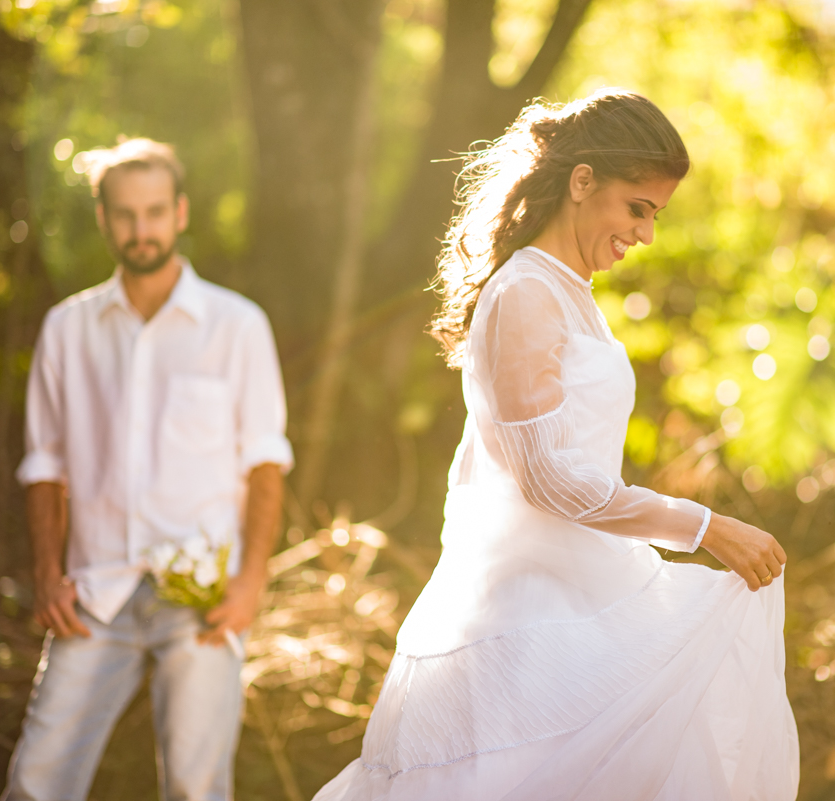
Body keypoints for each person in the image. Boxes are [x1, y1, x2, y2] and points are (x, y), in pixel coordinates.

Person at [314, 89, 799, 800]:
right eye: (637, 207)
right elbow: (549, 479)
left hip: (591, 593)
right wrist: (704, 527)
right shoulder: (526, 294)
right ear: (582, 182)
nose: (645, 234)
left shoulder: (571, 293)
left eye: (654, 215)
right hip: (528, 621)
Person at [2, 138, 294, 801]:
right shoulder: (67, 329)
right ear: (104, 218)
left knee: (196, 788)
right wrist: (48, 571)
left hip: (201, 598)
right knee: (35, 781)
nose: (142, 229)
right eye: (127, 214)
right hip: (94, 594)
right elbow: (44, 462)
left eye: (156, 211)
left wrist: (251, 579)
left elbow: (266, 461)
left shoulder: (237, 325)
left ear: (180, 212)